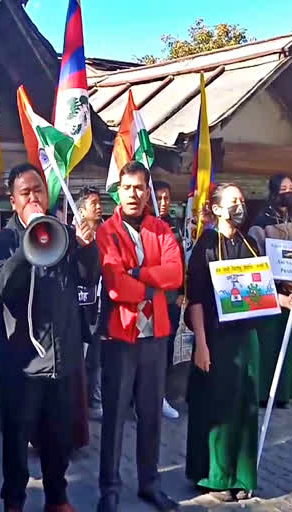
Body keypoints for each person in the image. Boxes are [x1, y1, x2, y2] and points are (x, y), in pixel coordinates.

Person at [0, 163, 99, 512]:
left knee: (57, 439)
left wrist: (86, 247)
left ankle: (57, 498)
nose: (34, 197)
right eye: (26, 192)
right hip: (23, 365)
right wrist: (28, 246)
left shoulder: (64, 233)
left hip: (61, 360)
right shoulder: (3, 241)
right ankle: (15, 502)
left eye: (39, 190)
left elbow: (87, 277)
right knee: (17, 444)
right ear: (13, 201)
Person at [95, 161, 183, 512]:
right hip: (121, 336)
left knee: (151, 414)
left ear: (147, 192)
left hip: (155, 336)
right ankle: (109, 489)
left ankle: (150, 484)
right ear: (118, 190)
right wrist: (150, 288)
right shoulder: (107, 231)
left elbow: (176, 273)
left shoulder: (162, 229)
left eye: (139, 188)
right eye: (127, 187)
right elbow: (115, 284)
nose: (133, 194)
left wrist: (139, 272)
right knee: (115, 416)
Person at [186, 183, 260, 501]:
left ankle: (242, 475)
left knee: (246, 405)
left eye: (242, 200)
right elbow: (196, 301)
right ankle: (215, 477)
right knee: (217, 407)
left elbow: (261, 290)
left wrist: (286, 300)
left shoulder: (251, 243)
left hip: (246, 338)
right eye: (233, 202)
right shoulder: (205, 245)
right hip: (215, 339)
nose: (239, 206)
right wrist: (201, 344)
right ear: (217, 209)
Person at [248, 175, 292, 407]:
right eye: (283, 188)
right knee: (269, 346)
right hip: (272, 296)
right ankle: (264, 394)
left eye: (291, 188)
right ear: (273, 192)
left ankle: (285, 393)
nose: (288, 192)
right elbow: (257, 259)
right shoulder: (261, 223)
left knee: (291, 345)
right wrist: (277, 288)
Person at [152, 180, 183, 420]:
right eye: (159, 197)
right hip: (149, 300)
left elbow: (181, 263)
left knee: (167, 348)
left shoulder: (175, 227)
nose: (163, 203)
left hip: (171, 299)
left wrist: (183, 290)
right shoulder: (145, 227)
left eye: (167, 198)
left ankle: (160, 396)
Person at [76, 187, 104, 420]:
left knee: (95, 360)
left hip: (100, 307)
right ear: (81, 210)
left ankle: (94, 403)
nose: (98, 206)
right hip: (79, 309)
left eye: (99, 202)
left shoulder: (106, 235)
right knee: (79, 362)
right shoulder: (72, 235)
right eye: (92, 203)